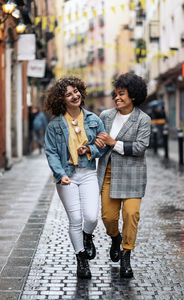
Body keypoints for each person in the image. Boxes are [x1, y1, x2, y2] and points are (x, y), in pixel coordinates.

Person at [44, 76, 106, 279]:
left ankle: (87, 237)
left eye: (76, 91)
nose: (74, 95)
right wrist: (59, 175)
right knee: (76, 219)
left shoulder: (93, 120)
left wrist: (89, 149)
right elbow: (51, 152)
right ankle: (82, 260)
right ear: (61, 99)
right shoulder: (54, 125)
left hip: (88, 173)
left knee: (91, 217)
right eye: (68, 93)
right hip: (67, 176)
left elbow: (102, 144)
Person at [95, 72, 151, 278]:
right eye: (116, 94)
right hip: (108, 173)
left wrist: (113, 143)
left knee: (131, 214)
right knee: (107, 217)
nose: (117, 98)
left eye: (122, 94)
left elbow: (140, 147)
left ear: (133, 96)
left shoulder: (143, 119)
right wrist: (95, 145)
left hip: (133, 174)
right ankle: (115, 238)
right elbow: (99, 144)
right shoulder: (105, 116)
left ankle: (126, 254)